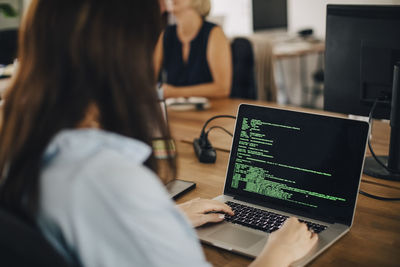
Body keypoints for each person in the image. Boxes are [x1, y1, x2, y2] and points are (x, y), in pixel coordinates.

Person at [0, 0, 317, 267]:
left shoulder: (24, 145)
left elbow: (103, 227)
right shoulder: (111, 184)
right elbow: (111, 208)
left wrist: (165, 217)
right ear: (125, 54)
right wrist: (277, 254)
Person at [154, 0, 232, 99]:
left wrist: (174, 92)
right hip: (175, 111)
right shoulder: (166, 34)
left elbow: (222, 89)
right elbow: (149, 80)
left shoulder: (214, 33)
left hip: (210, 110)